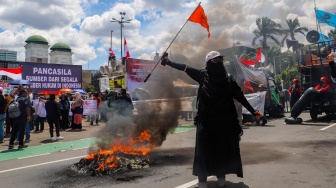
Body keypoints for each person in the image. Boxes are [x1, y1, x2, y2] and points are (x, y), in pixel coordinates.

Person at [161, 51, 263, 188]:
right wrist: (168, 62)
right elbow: (185, 67)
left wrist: (253, 111)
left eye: (220, 60)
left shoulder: (228, 79)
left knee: (222, 149)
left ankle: (221, 175)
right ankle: (202, 178)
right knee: (204, 149)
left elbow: (240, 96)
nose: (219, 63)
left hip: (224, 121)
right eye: (215, 61)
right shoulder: (202, 75)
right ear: (209, 63)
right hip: (205, 121)